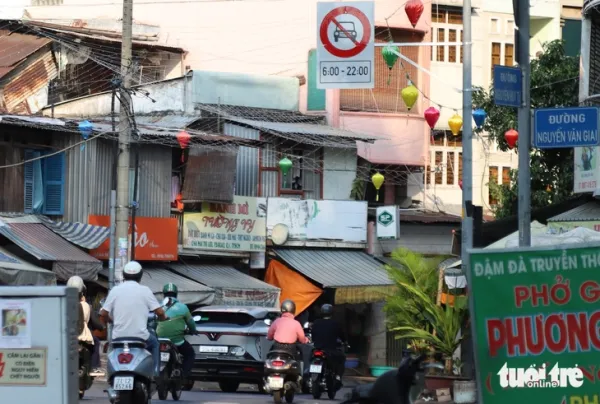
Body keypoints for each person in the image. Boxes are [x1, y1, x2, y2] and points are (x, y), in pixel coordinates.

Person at [100, 261, 168, 379]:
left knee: (111, 351)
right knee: (155, 344)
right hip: (141, 337)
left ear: (124, 275)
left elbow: (103, 314)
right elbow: (160, 312)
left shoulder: (115, 290)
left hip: (118, 337)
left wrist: (110, 321)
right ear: (140, 276)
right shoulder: (145, 290)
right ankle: (155, 372)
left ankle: (110, 376)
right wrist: (163, 318)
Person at [156, 283, 197, 380]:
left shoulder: (158, 307)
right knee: (190, 354)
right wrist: (193, 331)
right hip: (177, 341)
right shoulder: (183, 307)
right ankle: (183, 375)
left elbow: (152, 324)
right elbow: (191, 323)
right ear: (176, 294)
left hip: (160, 340)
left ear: (164, 294)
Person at [311, 303, 347, 383]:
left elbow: (313, 335)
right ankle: (338, 377)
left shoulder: (316, 322)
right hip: (330, 350)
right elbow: (342, 335)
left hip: (317, 349)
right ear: (332, 312)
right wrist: (345, 342)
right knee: (342, 358)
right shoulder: (335, 323)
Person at [67, 276, 95, 364]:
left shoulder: (63, 303)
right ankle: (94, 366)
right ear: (82, 292)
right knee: (96, 342)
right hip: (83, 337)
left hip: (67, 337)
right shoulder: (86, 305)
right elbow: (96, 322)